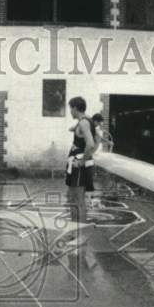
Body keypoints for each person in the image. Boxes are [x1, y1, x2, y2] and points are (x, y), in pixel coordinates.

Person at [65, 97, 98, 247]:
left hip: (78, 166)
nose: (70, 111)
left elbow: (90, 144)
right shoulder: (86, 121)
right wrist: (75, 129)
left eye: (70, 108)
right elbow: (96, 139)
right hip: (76, 166)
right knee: (72, 198)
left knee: (78, 201)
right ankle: (74, 232)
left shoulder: (84, 123)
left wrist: (82, 161)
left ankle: (81, 235)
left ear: (75, 108)